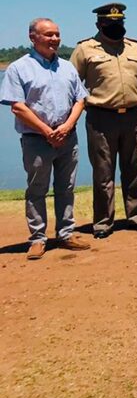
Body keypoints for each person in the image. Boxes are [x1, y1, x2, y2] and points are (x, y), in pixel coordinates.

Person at [0, 18, 90, 259]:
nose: (54, 39)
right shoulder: (18, 68)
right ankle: (38, 238)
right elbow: (18, 107)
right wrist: (47, 131)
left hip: (67, 138)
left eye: (57, 34)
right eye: (49, 34)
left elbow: (80, 100)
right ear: (33, 37)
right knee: (37, 189)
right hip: (37, 140)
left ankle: (66, 233)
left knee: (66, 187)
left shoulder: (67, 67)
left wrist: (67, 127)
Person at [70, 3, 137, 238]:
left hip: (133, 116)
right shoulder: (85, 49)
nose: (116, 26)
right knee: (103, 173)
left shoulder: (135, 48)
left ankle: (136, 216)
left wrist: (128, 99)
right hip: (101, 118)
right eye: (111, 23)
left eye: (120, 22)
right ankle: (103, 222)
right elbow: (73, 84)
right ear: (99, 24)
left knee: (133, 168)